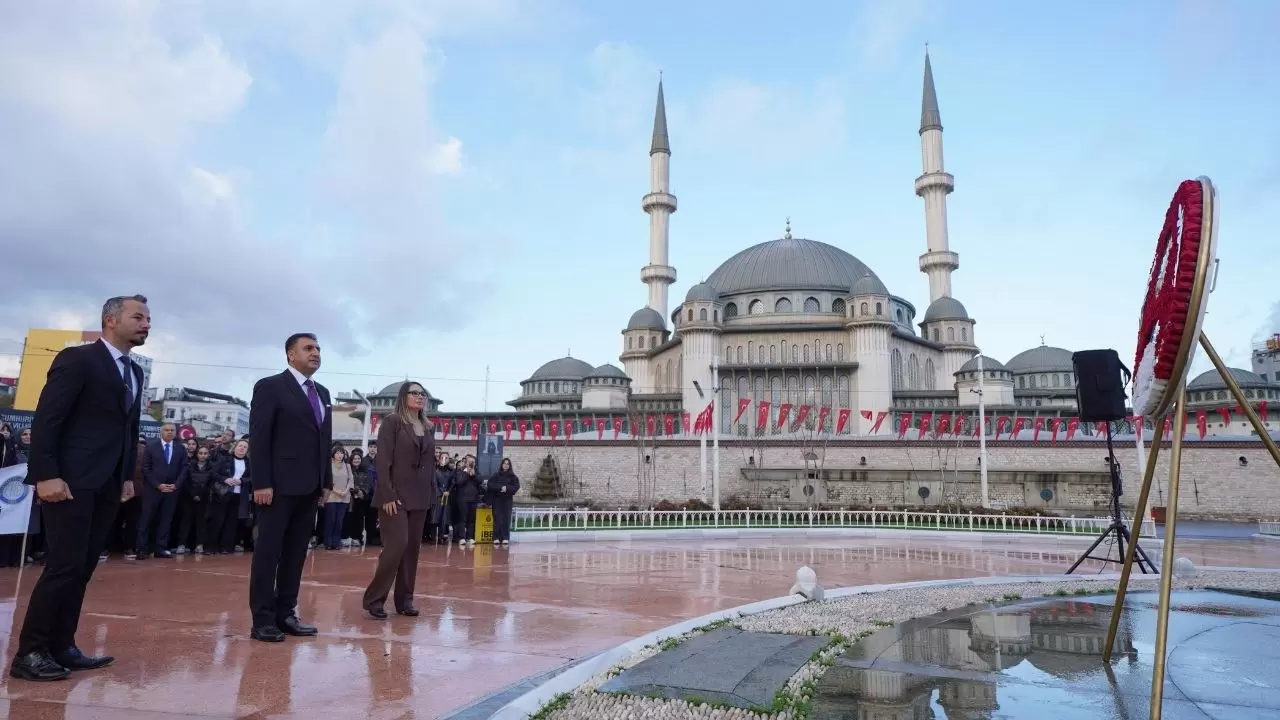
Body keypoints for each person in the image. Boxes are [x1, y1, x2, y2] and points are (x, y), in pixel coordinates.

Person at [11, 295, 149, 682]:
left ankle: (62, 646)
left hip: (106, 484)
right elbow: (48, 419)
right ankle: (30, 652)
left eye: (148, 318)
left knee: (83, 567)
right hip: (69, 480)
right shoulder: (78, 359)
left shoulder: (134, 373)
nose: (146, 324)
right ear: (110, 320)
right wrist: (45, 474)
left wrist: (125, 476)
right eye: (137, 316)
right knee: (63, 565)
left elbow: (128, 429)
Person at [247, 333, 332, 643]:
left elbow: (325, 441)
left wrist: (326, 482)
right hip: (277, 487)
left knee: (296, 554)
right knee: (269, 553)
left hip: (309, 488)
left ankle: (286, 612)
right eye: (308, 348)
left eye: (318, 349)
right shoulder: (271, 387)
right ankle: (263, 619)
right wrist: (262, 482)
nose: (316, 353)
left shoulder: (321, 393)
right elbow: (259, 437)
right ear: (290, 355)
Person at [363, 382, 437, 619]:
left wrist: (431, 493)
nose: (420, 397)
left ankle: (405, 601)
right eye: (414, 393)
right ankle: (374, 599)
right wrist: (387, 493)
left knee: (412, 549)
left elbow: (430, 465)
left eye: (422, 394)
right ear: (403, 397)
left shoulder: (428, 426)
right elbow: (383, 460)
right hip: (394, 495)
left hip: (420, 496)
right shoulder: (392, 422)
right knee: (396, 546)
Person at [136, 424, 189, 558]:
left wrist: (176, 484)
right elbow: (146, 468)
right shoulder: (151, 447)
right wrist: (157, 485)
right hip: (153, 490)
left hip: (172, 490)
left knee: (166, 520)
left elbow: (184, 468)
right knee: (146, 519)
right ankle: (142, 549)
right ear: (161, 432)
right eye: (166, 430)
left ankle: (161, 548)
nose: (169, 432)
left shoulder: (180, 449)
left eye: (172, 430)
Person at [322, 447, 353, 550]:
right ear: (333, 454)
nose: (340, 455)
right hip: (331, 496)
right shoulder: (329, 466)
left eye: (342, 453)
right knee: (331, 520)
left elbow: (351, 480)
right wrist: (336, 491)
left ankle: (336, 542)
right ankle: (328, 542)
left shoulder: (347, 466)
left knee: (339, 521)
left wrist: (345, 490)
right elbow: (327, 481)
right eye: (338, 453)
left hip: (344, 497)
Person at [486, 458, 521, 546]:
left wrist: (507, 488)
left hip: (507, 500)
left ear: (510, 466)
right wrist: (500, 487)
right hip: (497, 499)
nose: (506, 465)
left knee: (506, 519)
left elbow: (516, 486)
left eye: (507, 464)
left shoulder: (513, 477)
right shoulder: (496, 475)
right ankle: (496, 538)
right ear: (501, 465)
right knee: (497, 518)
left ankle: (505, 538)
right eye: (504, 463)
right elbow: (490, 484)